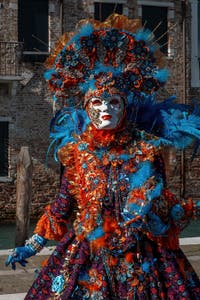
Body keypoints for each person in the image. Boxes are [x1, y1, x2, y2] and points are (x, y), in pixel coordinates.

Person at [6, 14, 200, 299]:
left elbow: (161, 204)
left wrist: (168, 210)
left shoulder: (146, 149)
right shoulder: (77, 152)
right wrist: (32, 244)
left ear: (125, 106)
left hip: (140, 253)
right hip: (87, 250)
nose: (105, 108)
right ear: (87, 107)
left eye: (113, 101)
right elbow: (63, 203)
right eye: (97, 102)